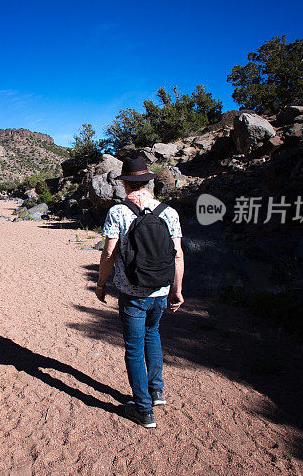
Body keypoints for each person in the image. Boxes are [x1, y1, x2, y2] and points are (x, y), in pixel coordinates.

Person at [94, 156, 185, 428]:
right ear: (148, 181)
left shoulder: (118, 212)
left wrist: (101, 284)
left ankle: (143, 410)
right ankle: (157, 392)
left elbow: (109, 252)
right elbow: (178, 255)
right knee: (153, 334)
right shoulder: (169, 212)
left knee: (134, 349)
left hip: (132, 292)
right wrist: (177, 290)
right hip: (160, 290)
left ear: (125, 183)